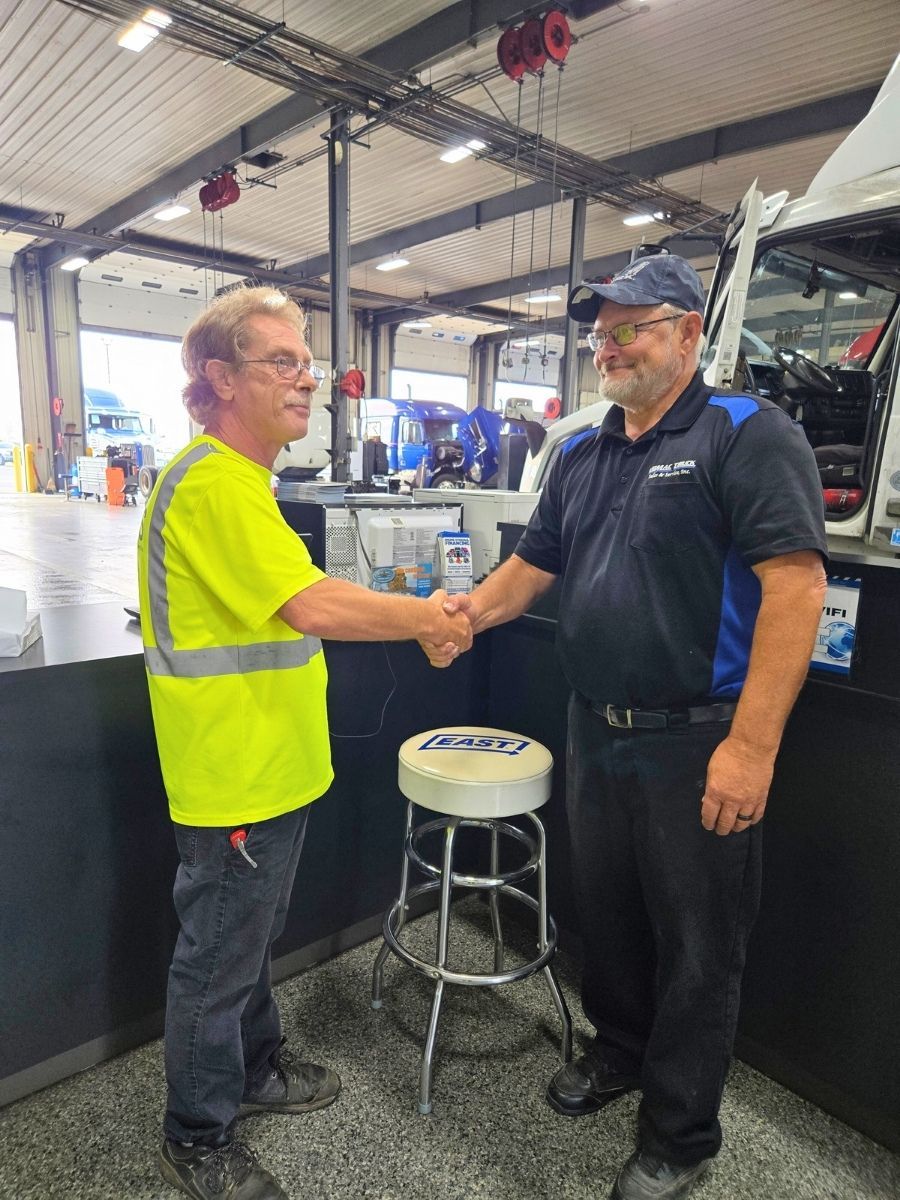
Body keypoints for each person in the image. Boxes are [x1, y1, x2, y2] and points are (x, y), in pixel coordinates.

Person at [423, 255, 827, 1200]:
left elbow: (797, 589)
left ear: (687, 333)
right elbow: (531, 569)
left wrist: (751, 748)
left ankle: (681, 1133)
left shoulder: (747, 433)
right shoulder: (582, 454)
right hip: (595, 728)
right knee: (603, 912)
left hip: (699, 739)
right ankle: (621, 1050)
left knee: (698, 941)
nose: (607, 348)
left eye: (629, 329)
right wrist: (464, 617)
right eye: (600, 336)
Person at [138, 286, 471, 1200]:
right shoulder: (212, 483)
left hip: (269, 769)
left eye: (307, 365)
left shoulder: (245, 483)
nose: (307, 380)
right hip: (235, 777)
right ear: (219, 377)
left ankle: (254, 1070)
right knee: (217, 961)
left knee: (245, 944)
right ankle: (197, 1134)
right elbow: (312, 604)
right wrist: (427, 616)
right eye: (281, 362)